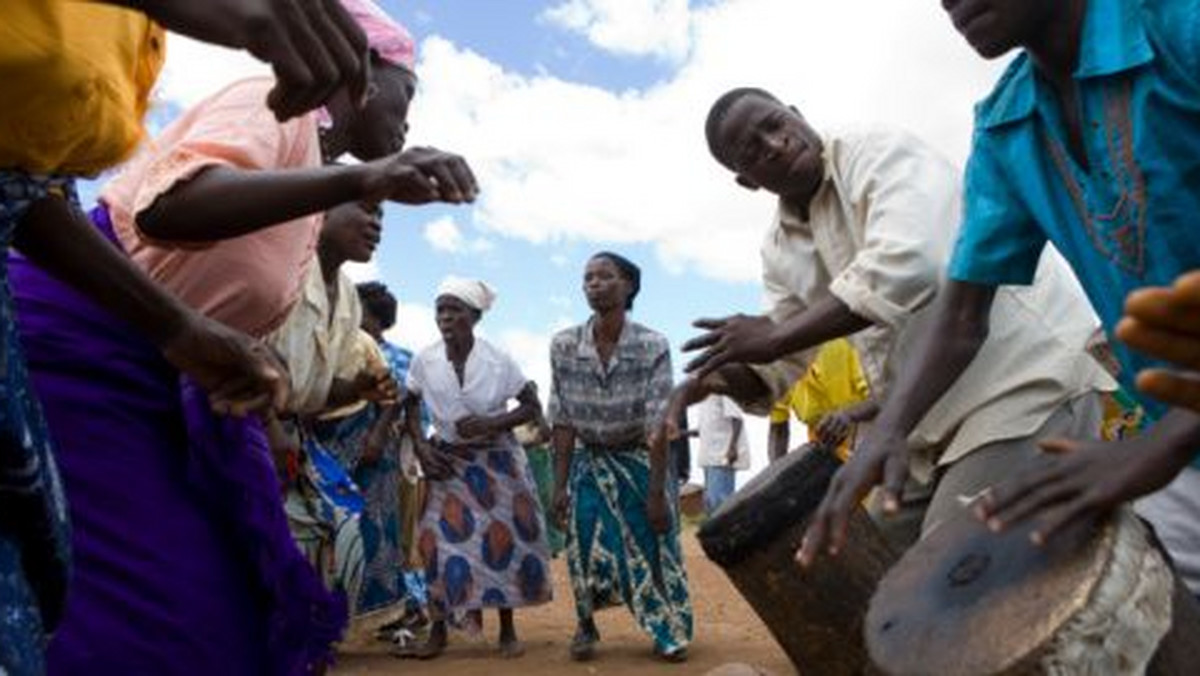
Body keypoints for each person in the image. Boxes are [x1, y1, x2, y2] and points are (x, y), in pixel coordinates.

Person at [11, 3, 476, 672]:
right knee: (156, 613)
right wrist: (364, 176)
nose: (410, 113)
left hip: (154, 370)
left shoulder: (307, 193)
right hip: (81, 346)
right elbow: (170, 206)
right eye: (409, 88)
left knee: (212, 608)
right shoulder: (274, 102)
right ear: (367, 72)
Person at [800, 0, 1200, 595]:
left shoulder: (1176, 27)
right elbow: (963, 314)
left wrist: (1170, 438)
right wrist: (891, 427)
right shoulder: (1007, 124)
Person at [663, 88, 1113, 566]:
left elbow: (910, 264)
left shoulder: (875, 150)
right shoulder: (780, 247)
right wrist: (709, 380)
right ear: (746, 181)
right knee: (861, 574)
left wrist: (773, 337)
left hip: (1021, 382)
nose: (773, 145)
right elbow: (780, 364)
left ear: (796, 114)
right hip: (924, 425)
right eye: (752, 152)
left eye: (773, 125)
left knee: (955, 580)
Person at [549, 252, 693, 663]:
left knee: (654, 540)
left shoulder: (652, 345)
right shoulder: (564, 345)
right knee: (583, 543)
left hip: (640, 459)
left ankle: (668, 629)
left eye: (605, 276)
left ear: (628, 285)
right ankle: (585, 625)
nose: (593, 283)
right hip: (587, 461)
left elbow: (658, 425)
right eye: (588, 277)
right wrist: (559, 486)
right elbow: (561, 420)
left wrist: (656, 493)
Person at [403, 277, 552, 659]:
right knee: (435, 542)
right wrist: (420, 445)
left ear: (474, 316)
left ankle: (507, 629)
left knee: (503, 538)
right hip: (446, 461)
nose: (446, 317)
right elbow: (410, 404)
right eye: (441, 309)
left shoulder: (498, 358)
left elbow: (531, 406)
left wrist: (491, 423)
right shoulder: (426, 359)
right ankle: (438, 631)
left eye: (455, 310)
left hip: (496, 460)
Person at [767, 338, 873, 463]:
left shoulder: (841, 346)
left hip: (870, 441)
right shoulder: (780, 371)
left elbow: (881, 397)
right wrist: (776, 471)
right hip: (826, 456)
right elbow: (778, 427)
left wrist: (848, 414)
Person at [696, 395, 749, 514]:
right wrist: (680, 433)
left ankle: (729, 532)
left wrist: (732, 447)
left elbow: (737, 419)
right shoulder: (703, 397)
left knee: (721, 505)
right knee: (710, 505)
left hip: (722, 457)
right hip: (708, 459)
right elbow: (701, 430)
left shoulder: (723, 389)